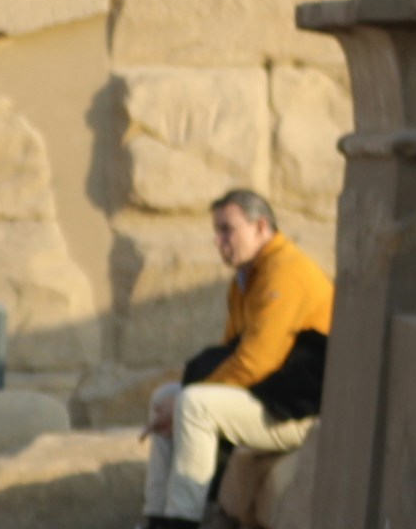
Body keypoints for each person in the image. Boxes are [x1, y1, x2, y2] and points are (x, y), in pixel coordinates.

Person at [141, 189, 329, 526]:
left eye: (227, 229)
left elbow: (257, 362)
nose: (218, 241)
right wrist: (179, 397)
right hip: (269, 397)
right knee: (165, 397)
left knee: (194, 404)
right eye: (217, 231)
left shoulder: (286, 271)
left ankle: (180, 521)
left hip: (300, 411)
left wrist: (186, 398)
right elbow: (233, 353)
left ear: (260, 227)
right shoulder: (246, 278)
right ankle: (156, 515)